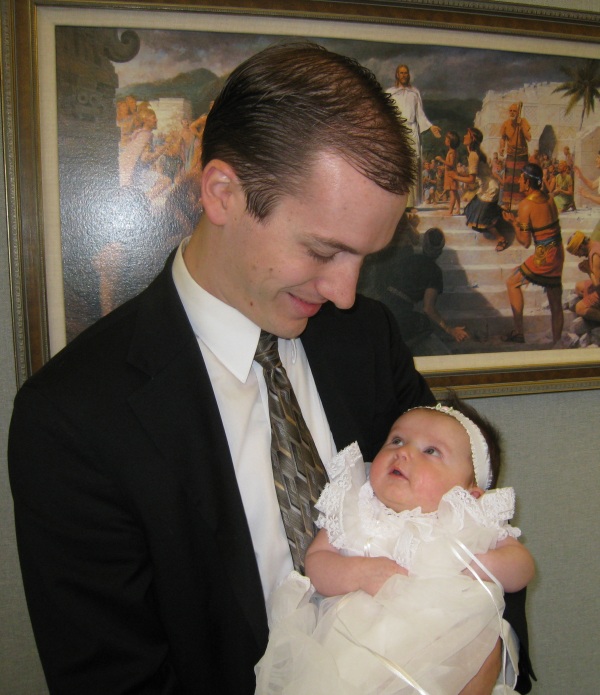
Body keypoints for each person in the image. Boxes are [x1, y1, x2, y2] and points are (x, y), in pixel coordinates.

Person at [8, 42, 532, 694]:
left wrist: (485, 670)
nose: (345, 292)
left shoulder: (365, 339)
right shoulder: (73, 419)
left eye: (365, 257)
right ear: (224, 193)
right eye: (323, 249)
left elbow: (466, 519)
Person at [255, 396, 534, 694]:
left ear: (470, 493)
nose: (404, 453)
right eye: (397, 440)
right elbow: (317, 561)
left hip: (446, 656)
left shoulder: (470, 521)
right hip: (352, 654)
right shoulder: (357, 509)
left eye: (431, 451)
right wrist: (358, 573)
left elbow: (523, 567)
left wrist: (482, 564)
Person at [502, 163, 564, 344]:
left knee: (512, 282)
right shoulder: (550, 199)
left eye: (521, 178)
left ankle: (519, 332)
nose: (519, 181)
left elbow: (525, 242)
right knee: (555, 301)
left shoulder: (525, 205)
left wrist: (513, 223)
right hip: (558, 254)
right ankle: (557, 342)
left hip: (544, 257)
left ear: (528, 182)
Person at [386, 63, 442, 209]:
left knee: (411, 165)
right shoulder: (390, 93)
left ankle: (411, 204)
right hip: (396, 131)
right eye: (401, 73)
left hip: (411, 131)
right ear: (397, 75)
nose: (404, 75)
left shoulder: (414, 93)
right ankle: (396, 203)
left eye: (406, 73)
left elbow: (420, 115)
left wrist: (431, 127)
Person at [452, 127, 509, 252]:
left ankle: (501, 239)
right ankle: (500, 215)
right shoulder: (475, 153)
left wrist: (455, 176)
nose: (464, 136)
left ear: (472, 139)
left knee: (482, 220)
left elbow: (472, 179)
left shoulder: (473, 155)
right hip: (487, 187)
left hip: (489, 190)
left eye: (467, 134)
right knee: (471, 210)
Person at [499, 103, 532, 211]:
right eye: (511, 111)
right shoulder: (505, 124)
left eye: (514, 111)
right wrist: (501, 147)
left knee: (521, 179)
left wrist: (521, 126)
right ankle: (508, 203)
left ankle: (522, 203)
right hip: (511, 154)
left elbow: (529, 138)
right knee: (509, 179)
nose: (512, 113)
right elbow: (503, 138)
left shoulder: (523, 122)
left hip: (522, 155)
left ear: (518, 112)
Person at [565, 231, 600, 323]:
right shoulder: (595, 245)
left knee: (580, 308)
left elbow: (599, 287)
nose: (580, 256)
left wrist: (588, 271)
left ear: (581, 246)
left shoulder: (595, 255)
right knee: (578, 287)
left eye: (578, 253)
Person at [436, 130, 461, 215]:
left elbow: (451, 164)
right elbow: (450, 166)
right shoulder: (453, 151)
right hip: (451, 174)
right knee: (455, 192)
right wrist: (443, 167)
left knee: (452, 194)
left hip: (451, 176)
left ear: (450, 142)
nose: (445, 140)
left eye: (446, 139)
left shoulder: (451, 152)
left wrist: (441, 160)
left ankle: (450, 211)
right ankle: (458, 208)